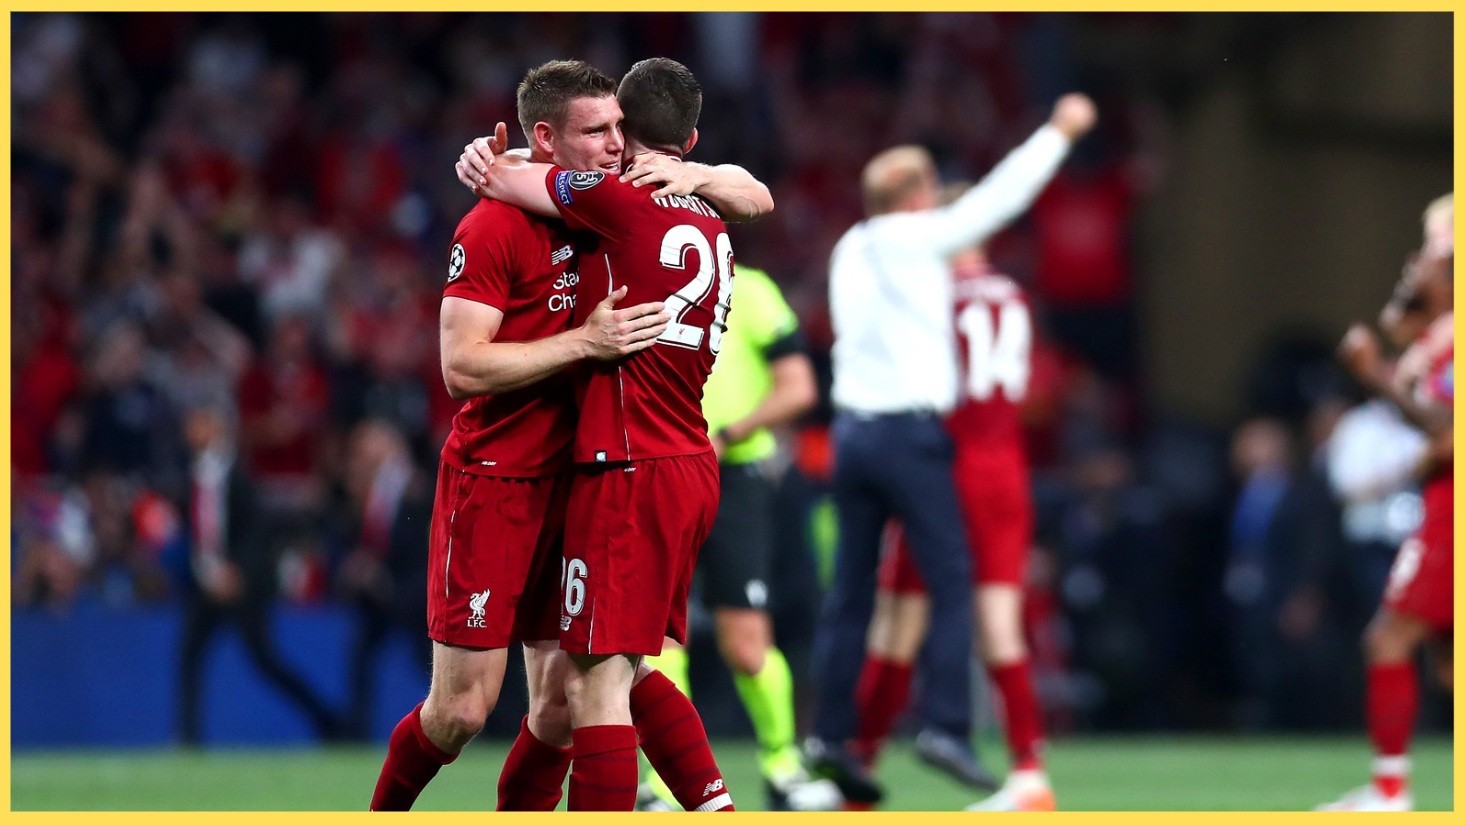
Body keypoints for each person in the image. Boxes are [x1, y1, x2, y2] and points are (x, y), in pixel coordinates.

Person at [370, 59, 769, 811]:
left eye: (622, 126)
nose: (618, 145)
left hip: (590, 477)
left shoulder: (613, 208)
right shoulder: (495, 222)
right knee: (461, 711)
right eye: (598, 131)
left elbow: (752, 192)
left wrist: (702, 176)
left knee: (574, 695)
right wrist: (581, 344)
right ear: (547, 137)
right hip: (498, 478)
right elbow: (460, 367)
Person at [810, 93, 1097, 806]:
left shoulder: (874, 257)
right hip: (989, 458)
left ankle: (852, 756)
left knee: (883, 615)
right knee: (989, 611)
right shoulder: (1005, 292)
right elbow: (1035, 386)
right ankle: (1019, 762)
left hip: (904, 443)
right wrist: (1056, 132)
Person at [851, 245, 1058, 811]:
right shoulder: (1013, 294)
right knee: (1000, 620)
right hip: (1005, 469)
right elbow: (1037, 388)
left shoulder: (935, 296)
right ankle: (1029, 771)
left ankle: (858, 771)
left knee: (897, 620)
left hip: (944, 467)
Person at [636, 264, 836, 811]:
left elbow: (798, 388)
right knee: (660, 642)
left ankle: (783, 767)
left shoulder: (751, 288)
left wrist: (730, 435)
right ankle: (663, 786)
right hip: (658, 472)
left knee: (747, 644)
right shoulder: (638, 273)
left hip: (735, 478)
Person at [1319, 196, 1453, 812]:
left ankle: (1389, 792)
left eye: (1428, 247)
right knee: (1447, 663)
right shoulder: (1437, 337)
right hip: (1440, 499)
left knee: (1389, 638)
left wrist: (1374, 373)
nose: (1414, 259)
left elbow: (1450, 434)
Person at [177, 398, 343, 745]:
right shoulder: (194, 471)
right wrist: (206, 572)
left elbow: (255, 533)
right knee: (189, 656)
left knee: (266, 662)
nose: (190, 431)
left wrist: (237, 573)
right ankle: (187, 740)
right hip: (207, 585)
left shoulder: (239, 472)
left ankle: (327, 719)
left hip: (242, 587)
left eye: (199, 422)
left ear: (217, 427)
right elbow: (199, 532)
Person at [336, 419, 432, 740]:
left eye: (367, 444)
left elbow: (423, 545)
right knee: (361, 657)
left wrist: (390, 578)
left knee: (430, 662)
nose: (360, 452)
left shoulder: (416, 485)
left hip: (413, 594)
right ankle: (357, 733)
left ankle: (462, 728)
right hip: (380, 596)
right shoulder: (369, 487)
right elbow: (371, 536)